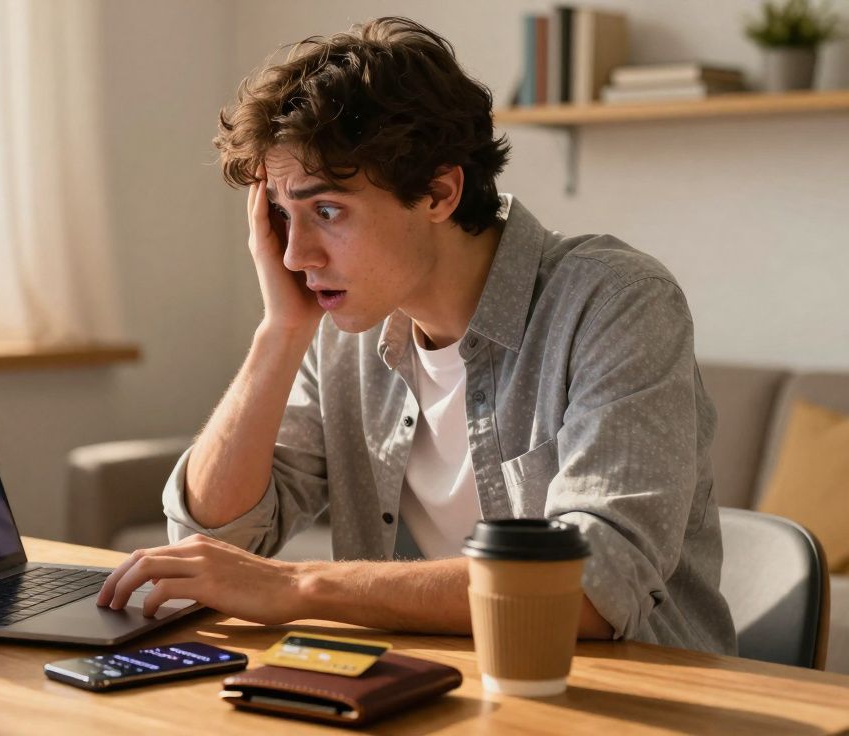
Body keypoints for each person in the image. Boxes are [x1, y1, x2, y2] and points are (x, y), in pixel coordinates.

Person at [96, 16, 735, 654]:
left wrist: (301, 586)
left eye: (326, 210)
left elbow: (596, 585)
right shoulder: (344, 330)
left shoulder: (616, 303)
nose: (295, 255)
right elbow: (210, 546)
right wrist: (280, 330)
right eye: (283, 216)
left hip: (626, 688)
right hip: (428, 685)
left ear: (438, 192)